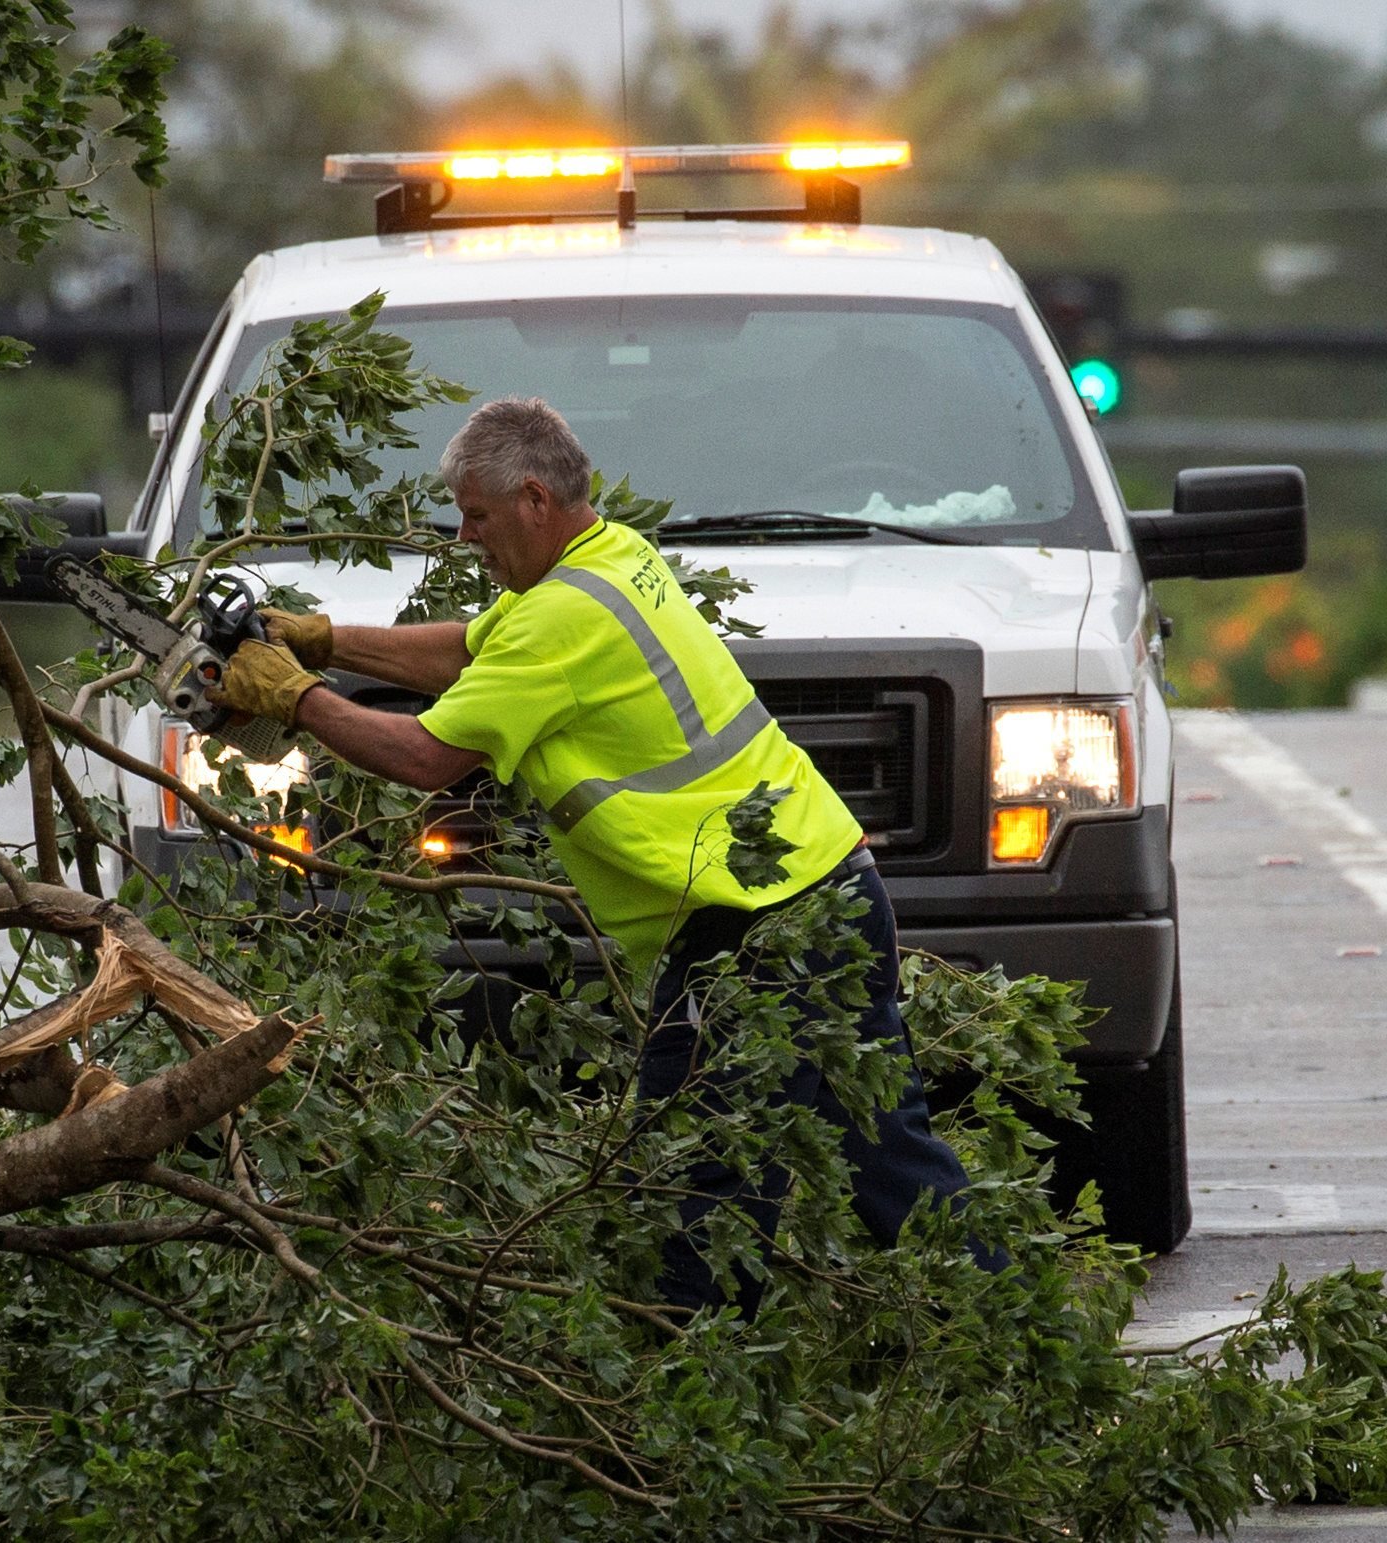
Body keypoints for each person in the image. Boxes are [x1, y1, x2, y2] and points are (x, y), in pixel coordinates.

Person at [208, 396, 977, 1307]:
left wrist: (296, 697)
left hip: (753, 937)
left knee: (691, 1193)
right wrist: (327, 639)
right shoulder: (612, 560)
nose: (466, 537)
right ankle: (1018, 1343)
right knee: (889, 1163)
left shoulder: (559, 619)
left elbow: (424, 757)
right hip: (831, 895)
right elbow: (467, 654)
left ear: (534, 499)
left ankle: (674, 1420)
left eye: (478, 516)